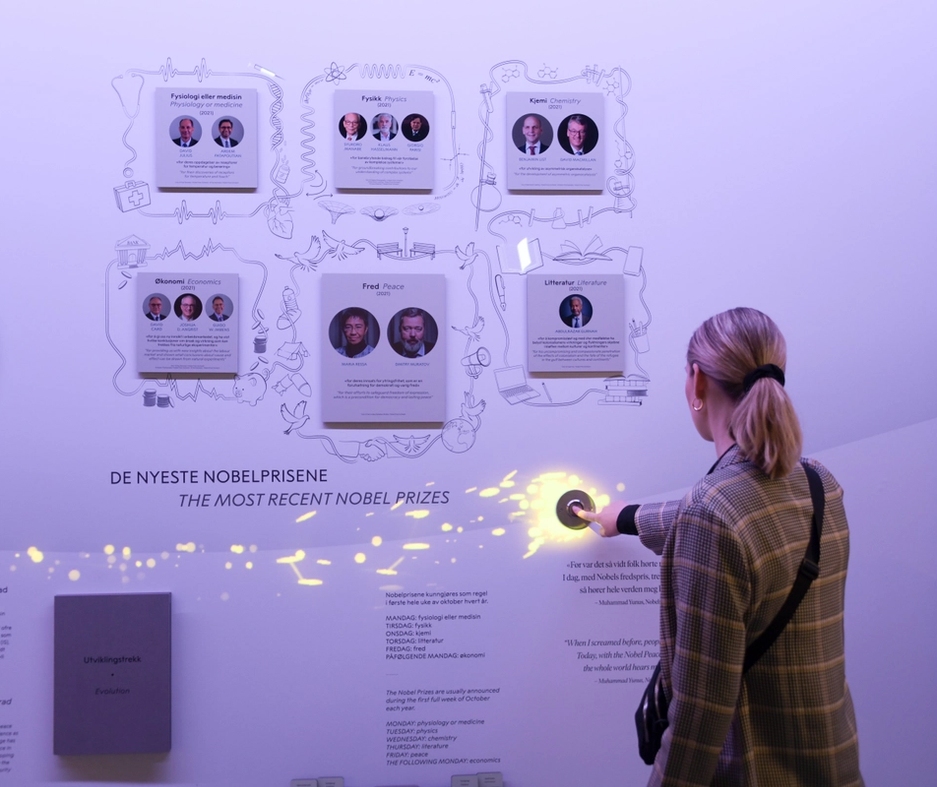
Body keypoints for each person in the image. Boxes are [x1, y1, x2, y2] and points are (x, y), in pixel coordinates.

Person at [578, 308, 863, 787]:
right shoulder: (819, 484)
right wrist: (625, 518)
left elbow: (698, 718)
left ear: (696, 381)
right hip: (833, 765)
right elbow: (740, 527)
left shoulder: (713, 514)